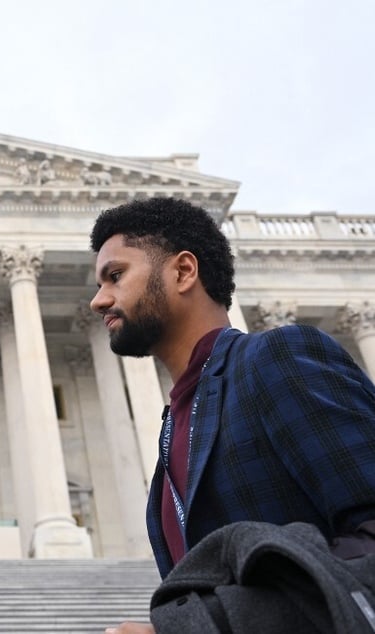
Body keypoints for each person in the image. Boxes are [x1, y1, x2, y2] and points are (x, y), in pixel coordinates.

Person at [89, 197, 375, 634]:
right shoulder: (177, 424)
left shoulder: (277, 357)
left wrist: (196, 626)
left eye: (115, 276)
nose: (98, 300)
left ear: (183, 271)